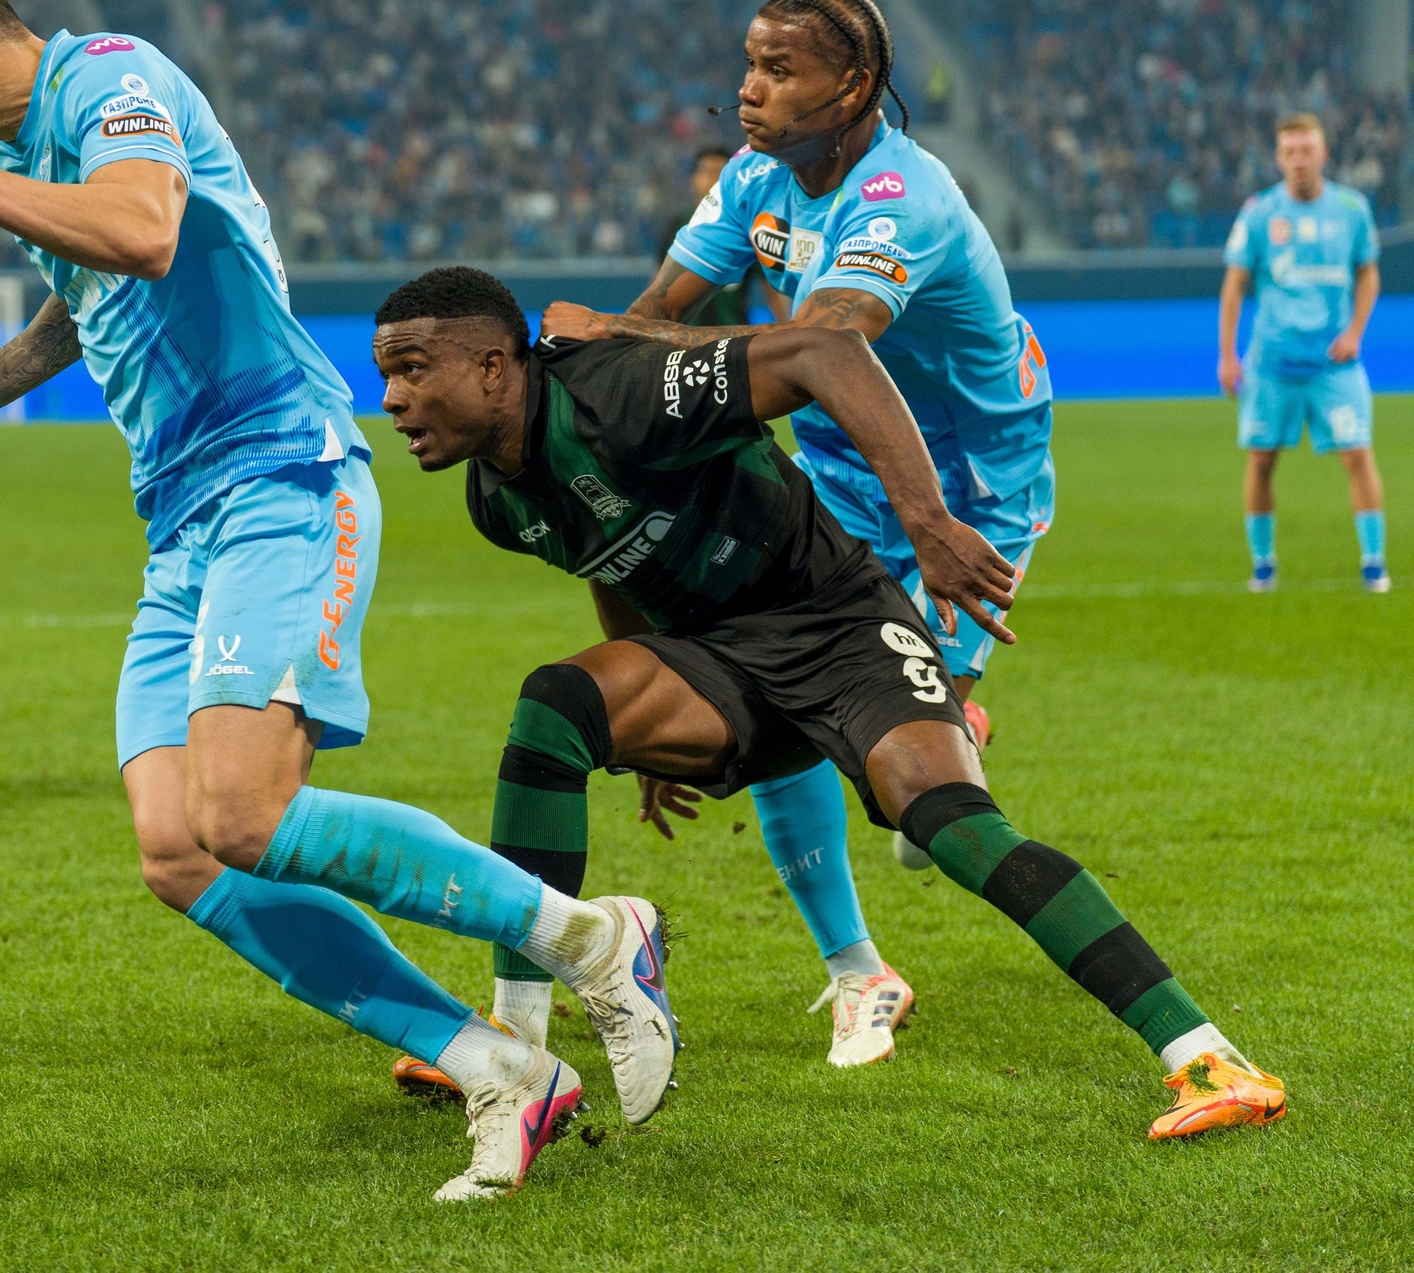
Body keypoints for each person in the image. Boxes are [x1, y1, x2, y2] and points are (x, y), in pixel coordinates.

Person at [0, 0, 673, 1204]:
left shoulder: (111, 75)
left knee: (242, 812)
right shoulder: (19, 150)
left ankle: (592, 937)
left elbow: (141, 230)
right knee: (180, 851)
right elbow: (86, 282)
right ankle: (501, 1068)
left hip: (281, 479)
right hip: (183, 524)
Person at [375, 265, 1284, 1142]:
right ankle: (513, 1048)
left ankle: (1210, 1057)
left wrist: (927, 522)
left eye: (412, 370)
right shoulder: (494, 498)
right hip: (716, 662)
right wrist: (639, 712)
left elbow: (826, 353)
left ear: (494, 364)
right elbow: (609, 562)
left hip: (837, 626)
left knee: (948, 823)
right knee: (556, 707)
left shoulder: (622, 390)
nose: (392, 400)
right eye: (387, 376)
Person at [535, 0, 1054, 1070]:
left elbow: (824, 345)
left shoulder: (900, 198)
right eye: (746, 63)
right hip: (830, 468)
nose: (746, 89)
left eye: (776, 70)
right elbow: (663, 316)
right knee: (787, 705)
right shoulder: (754, 180)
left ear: (854, 85)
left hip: (961, 488)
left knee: (911, 791)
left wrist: (607, 333)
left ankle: (951, 721)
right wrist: (617, 340)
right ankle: (859, 973)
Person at [1218, 112, 1387, 593]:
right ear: (1278, 157)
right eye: (1289, 152)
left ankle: (1374, 563)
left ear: (1323, 154)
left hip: (1334, 362)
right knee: (1262, 460)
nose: (1298, 160)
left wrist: (1356, 331)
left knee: (1358, 455)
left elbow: (1368, 273)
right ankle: (1263, 564)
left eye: (1306, 150)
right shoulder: (1258, 213)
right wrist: (1229, 355)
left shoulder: (1352, 210)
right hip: (1272, 363)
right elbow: (1234, 285)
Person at [655, 148, 782, 329]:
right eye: (706, 172)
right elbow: (658, 282)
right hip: (684, 341)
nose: (711, 180)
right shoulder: (675, 226)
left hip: (731, 342)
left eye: (719, 173)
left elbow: (770, 290)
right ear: (693, 179)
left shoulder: (749, 228)